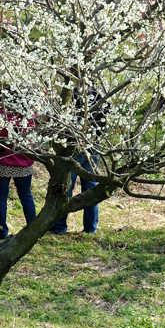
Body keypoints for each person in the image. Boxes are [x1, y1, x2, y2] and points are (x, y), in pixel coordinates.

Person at [51, 86, 106, 235]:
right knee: (91, 188)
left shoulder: (71, 95)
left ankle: (59, 226)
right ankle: (90, 228)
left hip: (74, 145)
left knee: (66, 185)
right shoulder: (100, 96)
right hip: (94, 144)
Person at [0, 85, 36, 240]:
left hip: (3, 161)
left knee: (1, 197)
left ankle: (2, 231)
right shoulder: (28, 115)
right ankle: (33, 228)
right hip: (24, 162)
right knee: (26, 196)